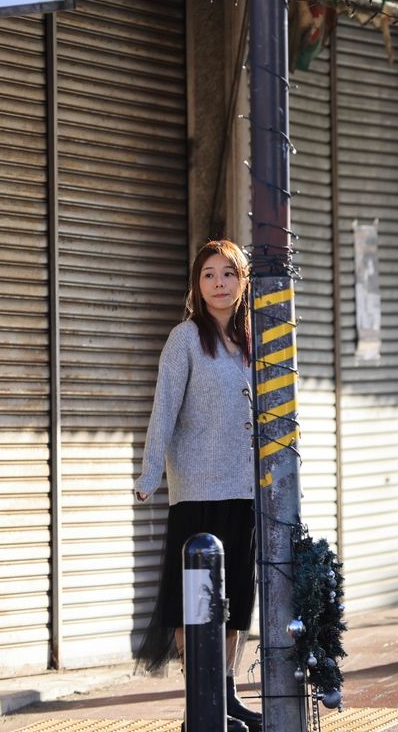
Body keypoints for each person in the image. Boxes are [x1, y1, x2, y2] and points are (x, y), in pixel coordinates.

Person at [134, 239, 261, 732]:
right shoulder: (185, 339)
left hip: (245, 489)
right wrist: (149, 475)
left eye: (228, 274)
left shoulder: (256, 340)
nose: (219, 284)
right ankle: (199, 703)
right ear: (197, 283)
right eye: (208, 275)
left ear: (242, 280)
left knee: (236, 601)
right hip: (197, 488)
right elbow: (163, 408)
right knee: (197, 599)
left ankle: (224, 696)